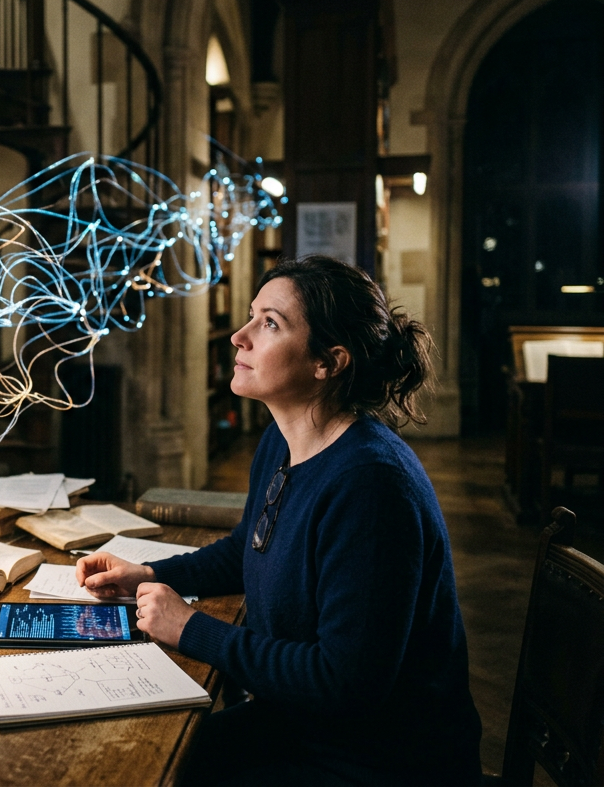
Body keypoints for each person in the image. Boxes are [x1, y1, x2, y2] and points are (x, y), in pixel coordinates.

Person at [76, 255, 481, 786]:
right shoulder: (282, 440)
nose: (239, 337)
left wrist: (191, 628)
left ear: (328, 362)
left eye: (270, 323)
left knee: (145, 770)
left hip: (376, 760)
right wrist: (151, 575)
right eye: (250, 316)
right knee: (127, 758)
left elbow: (344, 683)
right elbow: (252, 544)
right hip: (303, 726)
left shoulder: (371, 486)